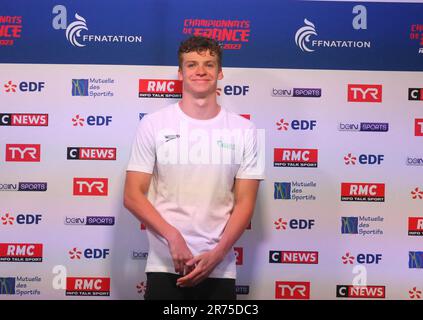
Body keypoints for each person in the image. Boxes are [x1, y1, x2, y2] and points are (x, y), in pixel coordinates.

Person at [124, 35, 264, 300]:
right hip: (165, 265)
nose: (200, 71)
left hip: (219, 268)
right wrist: (173, 237)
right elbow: (132, 195)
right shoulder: (153, 124)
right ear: (180, 73)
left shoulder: (246, 130)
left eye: (209, 64)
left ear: (220, 73)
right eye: (192, 64)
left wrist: (218, 254)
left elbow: (246, 203)